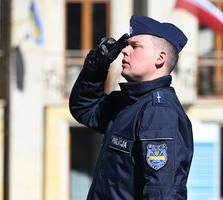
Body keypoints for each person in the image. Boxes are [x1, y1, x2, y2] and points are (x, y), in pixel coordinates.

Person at [69, 15, 194, 200]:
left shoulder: (159, 112)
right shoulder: (128, 103)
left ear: (160, 58)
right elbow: (85, 108)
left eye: (135, 46)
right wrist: (97, 66)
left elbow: (162, 194)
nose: (124, 51)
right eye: (127, 45)